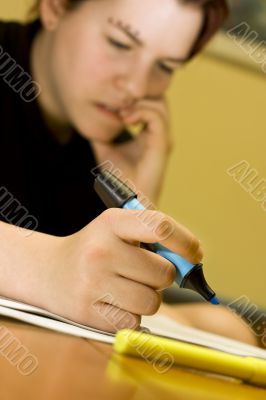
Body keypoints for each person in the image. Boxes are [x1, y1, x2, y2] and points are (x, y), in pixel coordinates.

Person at [0, 0, 260, 346]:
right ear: (55, 8)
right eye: (120, 43)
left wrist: (135, 209)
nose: (137, 89)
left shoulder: (110, 144)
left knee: (229, 328)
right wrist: (44, 267)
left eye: (165, 67)